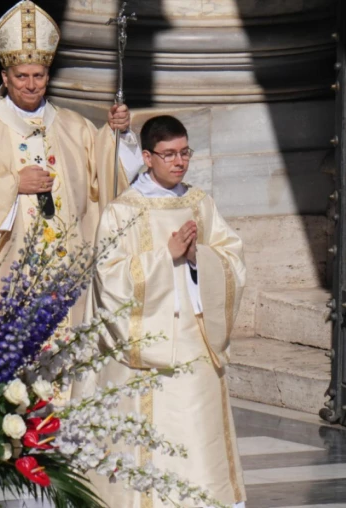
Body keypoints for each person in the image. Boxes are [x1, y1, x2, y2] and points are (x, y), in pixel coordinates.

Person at [0, 0, 143, 338]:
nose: (31, 85)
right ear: (5, 78)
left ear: (48, 77)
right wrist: (12, 184)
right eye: (21, 76)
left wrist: (116, 134)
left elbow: (106, 176)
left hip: (67, 262)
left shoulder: (72, 125)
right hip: (12, 263)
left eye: (38, 76)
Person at [87, 115, 247, 508]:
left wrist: (198, 259)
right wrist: (166, 257)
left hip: (196, 335)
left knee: (198, 428)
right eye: (169, 154)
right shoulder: (122, 212)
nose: (180, 162)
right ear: (147, 156)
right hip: (142, 344)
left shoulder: (200, 203)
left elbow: (233, 259)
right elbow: (108, 276)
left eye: (185, 152)